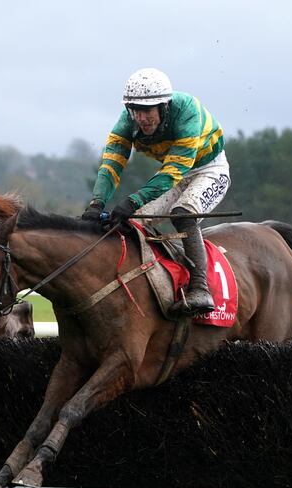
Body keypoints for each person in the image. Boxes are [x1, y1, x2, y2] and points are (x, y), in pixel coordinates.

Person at [81, 68, 231, 315]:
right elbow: (111, 164)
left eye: (148, 110)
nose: (142, 118)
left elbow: (173, 171)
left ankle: (200, 289)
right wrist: (96, 203)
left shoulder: (187, 111)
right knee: (132, 222)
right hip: (175, 173)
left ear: (164, 106)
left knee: (182, 213)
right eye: (136, 110)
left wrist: (132, 200)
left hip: (209, 170)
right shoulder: (126, 122)